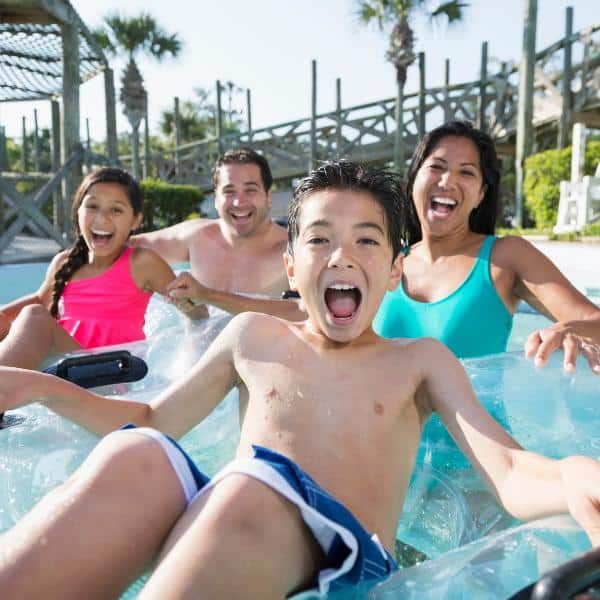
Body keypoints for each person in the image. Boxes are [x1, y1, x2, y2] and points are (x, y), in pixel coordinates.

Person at [0, 162, 598, 599]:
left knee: (247, 484)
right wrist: (40, 387)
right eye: (319, 239)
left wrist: (573, 473)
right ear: (291, 267)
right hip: (237, 523)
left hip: (344, 565)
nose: (342, 255)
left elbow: (510, 472)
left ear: (393, 272)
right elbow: (153, 419)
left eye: (366, 240)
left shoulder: (418, 361)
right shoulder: (255, 337)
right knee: (138, 456)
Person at [168, 122, 600, 373]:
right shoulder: (386, 259)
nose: (448, 181)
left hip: (475, 467)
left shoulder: (505, 257)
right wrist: (206, 295)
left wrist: (567, 330)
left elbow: (594, 322)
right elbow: (301, 309)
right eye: (437, 167)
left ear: (483, 193)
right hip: (387, 454)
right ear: (414, 178)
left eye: (467, 173)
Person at [0, 167, 175, 370]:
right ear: (78, 212)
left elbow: (193, 306)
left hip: (112, 372)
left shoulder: (141, 263)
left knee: (34, 316)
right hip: (66, 369)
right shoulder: (64, 262)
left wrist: (191, 334)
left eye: (116, 210)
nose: (102, 218)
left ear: (136, 220)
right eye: (92, 206)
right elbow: (41, 299)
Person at [131, 147, 289, 319]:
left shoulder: (292, 251)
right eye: (229, 191)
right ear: (216, 200)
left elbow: (302, 314)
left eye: (250, 190)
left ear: (268, 197)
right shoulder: (197, 237)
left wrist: (207, 296)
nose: (238, 202)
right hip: (194, 345)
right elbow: (121, 247)